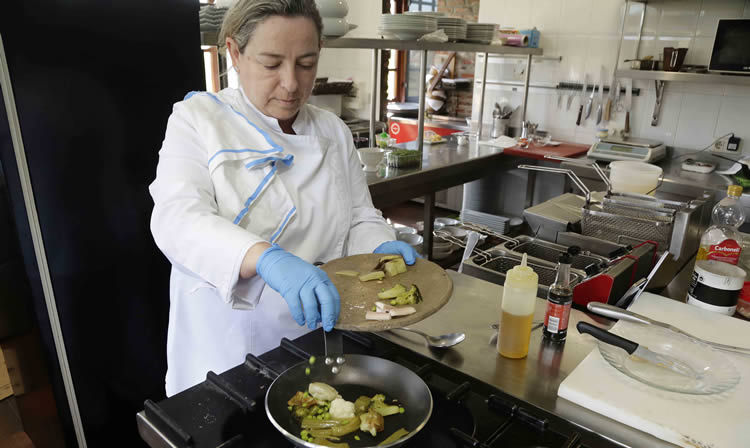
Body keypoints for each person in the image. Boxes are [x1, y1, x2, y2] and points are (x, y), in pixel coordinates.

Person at [149, 0, 417, 397]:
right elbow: (176, 219)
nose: (291, 83)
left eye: (306, 64)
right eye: (272, 64)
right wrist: (266, 258)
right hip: (226, 348)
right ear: (235, 54)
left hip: (315, 333)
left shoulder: (332, 130)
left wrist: (378, 245)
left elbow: (358, 215)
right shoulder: (198, 120)